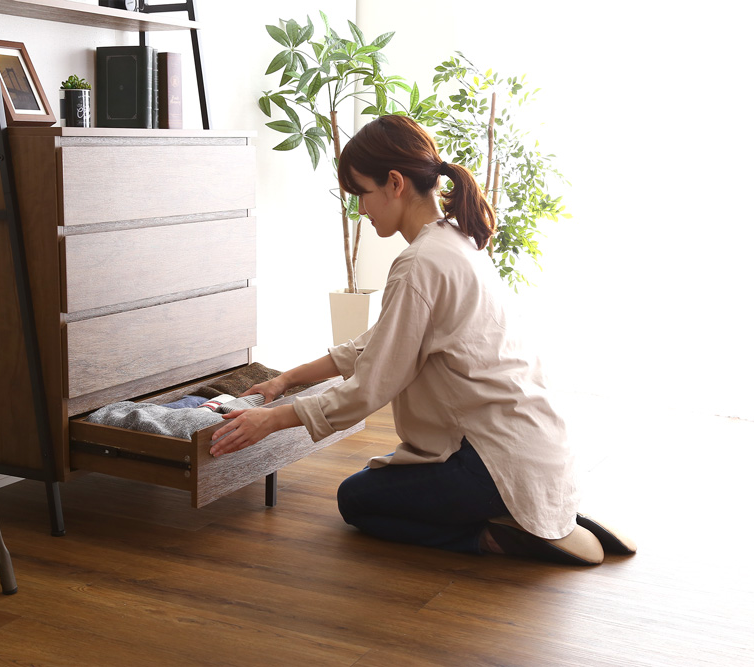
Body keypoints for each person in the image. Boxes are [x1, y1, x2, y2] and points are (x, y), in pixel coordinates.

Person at [209, 115, 635, 565]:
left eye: (362, 193)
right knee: (385, 475)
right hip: (537, 451)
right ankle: (537, 510)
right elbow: (378, 341)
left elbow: (369, 388)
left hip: (492, 462)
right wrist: (285, 380)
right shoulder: (457, 241)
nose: (361, 209)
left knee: (357, 498)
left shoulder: (419, 264)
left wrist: (271, 420)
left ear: (395, 183)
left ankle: (496, 534)